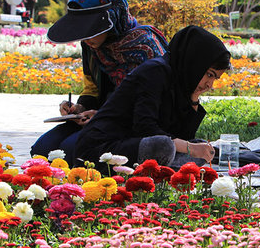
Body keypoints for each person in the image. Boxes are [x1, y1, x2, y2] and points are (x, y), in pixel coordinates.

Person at [30, 0, 169, 166]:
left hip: (132, 123)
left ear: (112, 19)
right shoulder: (92, 45)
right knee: (43, 149)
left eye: (92, 30)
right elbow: (92, 89)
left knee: (72, 152)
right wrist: (79, 109)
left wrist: (103, 115)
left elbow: (152, 105)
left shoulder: (146, 45)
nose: (86, 39)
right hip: (98, 120)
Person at [75, 25, 231, 169]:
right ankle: (168, 169)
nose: (209, 84)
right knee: (166, 146)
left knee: (201, 147)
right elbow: (145, 127)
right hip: (103, 149)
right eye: (209, 75)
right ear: (194, 63)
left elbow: (183, 136)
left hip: (137, 145)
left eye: (214, 78)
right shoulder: (155, 71)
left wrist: (193, 97)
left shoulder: (181, 81)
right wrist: (189, 148)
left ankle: (169, 168)